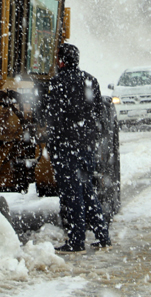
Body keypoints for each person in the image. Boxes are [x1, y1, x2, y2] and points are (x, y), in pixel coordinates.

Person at [41, 43, 111, 253]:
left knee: (72, 194)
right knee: (87, 189)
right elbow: (98, 112)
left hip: (65, 145)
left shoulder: (57, 83)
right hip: (86, 144)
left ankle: (76, 240)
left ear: (61, 61)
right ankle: (102, 234)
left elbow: (51, 115)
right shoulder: (91, 80)